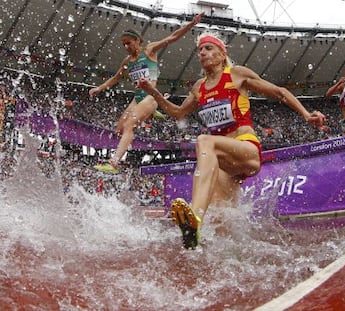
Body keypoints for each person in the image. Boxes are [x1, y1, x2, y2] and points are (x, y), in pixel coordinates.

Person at [139, 32, 326, 249]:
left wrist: (305, 114)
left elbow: (280, 92)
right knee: (221, 220)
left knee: (204, 140)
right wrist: (154, 92)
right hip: (227, 163)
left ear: (221, 53)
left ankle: (195, 217)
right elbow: (179, 114)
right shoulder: (199, 87)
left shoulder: (236, 74)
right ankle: (229, 252)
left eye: (208, 48)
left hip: (246, 148)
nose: (202, 53)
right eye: (200, 50)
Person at [89, 13, 204, 173]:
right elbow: (116, 78)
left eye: (129, 43)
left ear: (138, 41)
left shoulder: (149, 51)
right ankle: (151, 113)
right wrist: (99, 88)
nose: (126, 47)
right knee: (120, 128)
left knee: (130, 125)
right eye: (123, 44)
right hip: (137, 98)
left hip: (150, 96)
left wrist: (191, 24)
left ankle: (114, 163)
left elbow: (171, 38)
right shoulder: (127, 62)